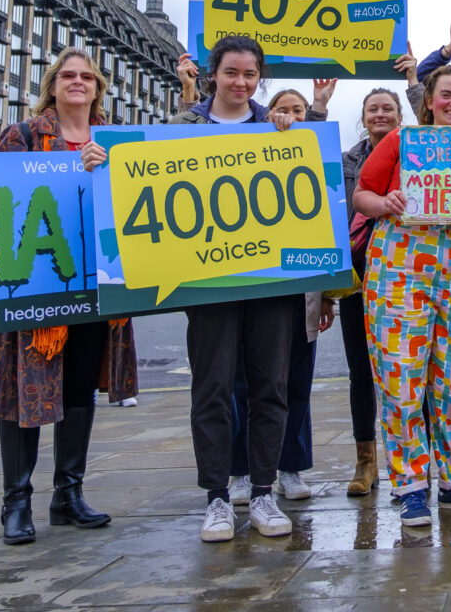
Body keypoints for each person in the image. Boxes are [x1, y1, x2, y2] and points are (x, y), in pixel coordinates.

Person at [0, 48, 136, 546]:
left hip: (94, 288)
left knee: (80, 389)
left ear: (99, 87)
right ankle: (15, 503)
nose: (77, 82)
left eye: (87, 76)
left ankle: (68, 495)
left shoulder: (115, 140)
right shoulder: (22, 135)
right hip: (34, 288)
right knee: (26, 392)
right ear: (53, 84)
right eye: (68, 76)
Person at [352, 60, 451, 526]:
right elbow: (362, 194)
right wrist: (385, 202)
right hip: (398, 272)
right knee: (401, 383)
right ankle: (410, 486)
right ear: (430, 102)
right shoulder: (402, 140)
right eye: (447, 96)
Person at [167, 36, 302, 543]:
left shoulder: (278, 125)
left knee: (271, 386)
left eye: (250, 74)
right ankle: (218, 498)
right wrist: (101, 157)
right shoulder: (182, 128)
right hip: (208, 280)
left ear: (259, 78)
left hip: (272, 280)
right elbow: (139, 175)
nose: (240, 82)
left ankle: (263, 491)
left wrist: (295, 132)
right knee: (212, 388)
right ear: (213, 75)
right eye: (231, 73)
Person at [220, 87, 339, 508]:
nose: (290, 116)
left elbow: (330, 225)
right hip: (256, 285)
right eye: (282, 109)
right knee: (240, 384)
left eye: (298, 110)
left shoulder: (315, 160)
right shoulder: (248, 151)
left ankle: (288, 466)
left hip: (301, 289)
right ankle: (238, 471)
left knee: (295, 383)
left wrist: (327, 297)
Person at [337, 81, 411, 498]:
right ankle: (366, 461)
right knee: (360, 370)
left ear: (401, 116)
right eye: (373, 110)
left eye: (388, 109)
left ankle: (414, 458)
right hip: (360, 270)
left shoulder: (419, 151)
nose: (380, 115)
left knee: (409, 369)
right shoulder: (346, 160)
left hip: (406, 269)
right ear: (363, 117)